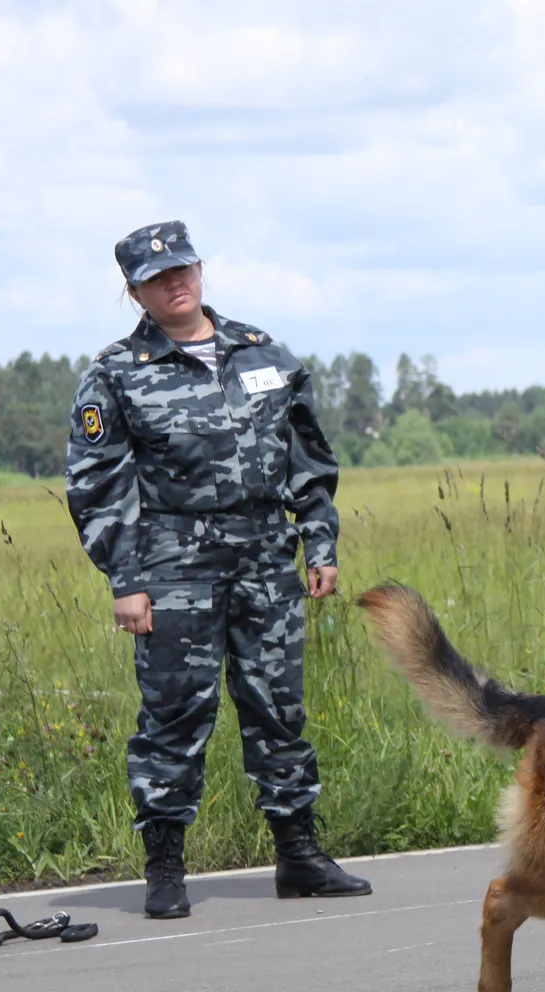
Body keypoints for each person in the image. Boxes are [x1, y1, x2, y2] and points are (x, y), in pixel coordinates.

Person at [65, 221, 370, 918]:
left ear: (200, 270)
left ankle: (299, 856)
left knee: (279, 709)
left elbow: (309, 461)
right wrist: (127, 578)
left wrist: (318, 543)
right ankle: (165, 869)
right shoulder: (116, 373)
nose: (176, 284)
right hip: (174, 565)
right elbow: (97, 483)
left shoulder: (263, 354)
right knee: (176, 715)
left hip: (266, 557)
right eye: (157, 278)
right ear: (135, 291)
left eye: (184, 269)